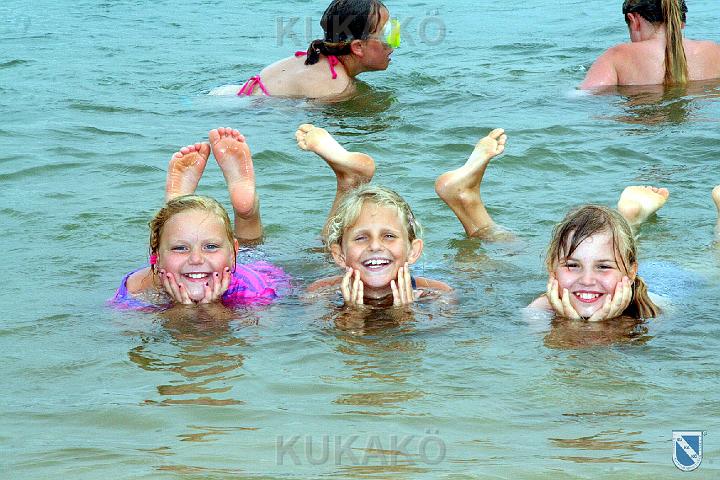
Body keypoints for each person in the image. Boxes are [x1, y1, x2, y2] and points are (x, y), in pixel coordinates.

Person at [434, 128, 669, 321]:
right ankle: (466, 199)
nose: (587, 280)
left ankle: (629, 220)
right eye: (572, 265)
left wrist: (585, 326)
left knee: (606, 245)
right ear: (551, 268)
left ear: (632, 272)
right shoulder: (539, 310)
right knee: (517, 253)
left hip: (661, 278)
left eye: (603, 267)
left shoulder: (655, 309)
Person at [111, 128, 288, 310]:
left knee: (253, 249)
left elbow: (263, 327)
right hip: (195, 264)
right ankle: (180, 208)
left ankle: (246, 213)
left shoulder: (253, 289)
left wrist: (210, 308)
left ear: (233, 254)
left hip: (253, 268)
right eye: (180, 248)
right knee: (246, 244)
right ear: (156, 257)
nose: (196, 259)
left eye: (210, 247)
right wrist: (184, 310)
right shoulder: (137, 287)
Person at [295, 124, 451, 306]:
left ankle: (349, 181)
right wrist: (352, 313)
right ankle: (349, 181)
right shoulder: (318, 294)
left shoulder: (438, 295)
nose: (375, 246)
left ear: (413, 251)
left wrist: (405, 313)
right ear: (339, 256)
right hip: (342, 268)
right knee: (323, 254)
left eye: (389, 236)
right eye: (361, 238)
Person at [231, 0, 397, 99]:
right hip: (243, 110)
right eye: (386, 35)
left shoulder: (313, 56)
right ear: (358, 47)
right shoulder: (336, 85)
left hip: (229, 93)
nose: (393, 44)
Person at [580, 0, 720, 89]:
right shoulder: (714, 51)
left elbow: (585, 96)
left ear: (634, 20)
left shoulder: (616, 56)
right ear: (682, 22)